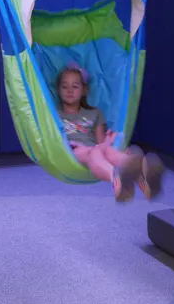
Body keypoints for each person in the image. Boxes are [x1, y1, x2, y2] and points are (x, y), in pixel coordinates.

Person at [57, 63, 164, 202]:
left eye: (75, 86)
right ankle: (117, 179)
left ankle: (140, 172)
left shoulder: (94, 113)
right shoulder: (56, 115)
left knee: (107, 150)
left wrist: (108, 141)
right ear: (58, 90)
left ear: (84, 90)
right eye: (64, 86)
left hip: (96, 148)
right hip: (73, 150)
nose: (69, 90)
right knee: (94, 152)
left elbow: (100, 141)